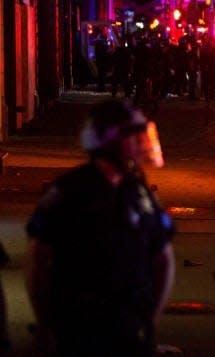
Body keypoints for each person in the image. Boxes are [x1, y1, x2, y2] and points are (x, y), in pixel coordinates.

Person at [25, 99, 175, 356]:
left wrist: (149, 321)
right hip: (79, 323)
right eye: (133, 137)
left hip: (131, 325)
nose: (140, 145)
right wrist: (45, 325)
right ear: (109, 140)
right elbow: (38, 261)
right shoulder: (68, 192)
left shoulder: (139, 194)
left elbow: (163, 259)